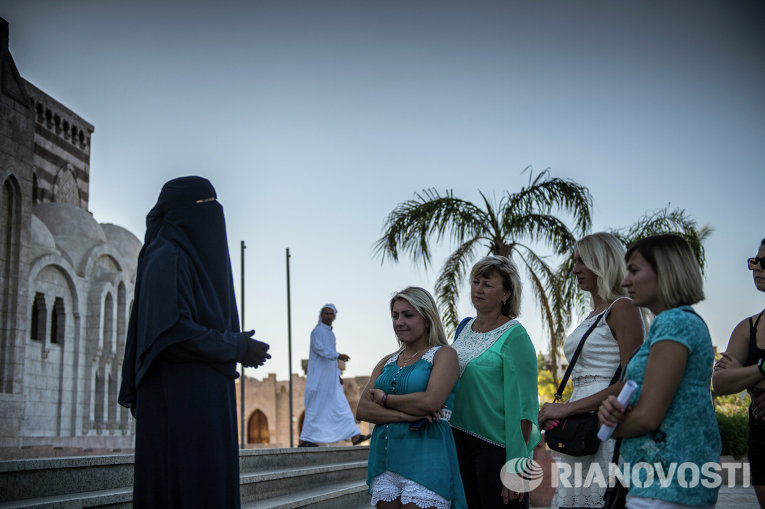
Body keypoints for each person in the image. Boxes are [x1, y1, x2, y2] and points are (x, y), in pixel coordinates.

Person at [118, 176, 271, 509]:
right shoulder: (166, 255)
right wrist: (235, 347)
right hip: (180, 405)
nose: (214, 216)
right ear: (180, 213)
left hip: (201, 403)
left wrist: (236, 347)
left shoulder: (183, 256)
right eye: (205, 206)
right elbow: (173, 332)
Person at [598, 234, 721, 508]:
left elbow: (649, 417)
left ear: (666, 271)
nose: (625, 281)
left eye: (634, 270)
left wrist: (608, 426)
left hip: (668, 483)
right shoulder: (670, 324)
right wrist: (614, 411)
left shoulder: (674, 323)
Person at [538, 233, 644, 509]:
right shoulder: (594, 313)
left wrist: (565, 410)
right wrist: (563, 410)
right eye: (575, 261)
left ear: (602, 262)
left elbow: (633, 379)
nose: (575, 269)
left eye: (582, 260)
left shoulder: (623, 307)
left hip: (606, 422)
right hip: (581, 423)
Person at [356, 287, 467, 509]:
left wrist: (385, 399)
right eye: (395, 316)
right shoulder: (386, 361)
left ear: (427, 319)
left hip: (427, 456)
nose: (399, 322)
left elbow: (430, 402)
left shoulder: (444, 354)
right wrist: (405, 415)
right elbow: (362, 410)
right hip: (384, 459)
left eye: (408, 315)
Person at [450, 255, 540, 509]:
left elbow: (524, 407)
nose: (478, 289)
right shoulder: (463, 328)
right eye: (475, 281)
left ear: (506, 294)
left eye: (487, 284)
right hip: (457, 441)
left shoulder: (516, 335)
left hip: (496, 449)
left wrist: (515, 467)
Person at [712, 238, 765, 508]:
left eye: (763, 263)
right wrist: (761, 369)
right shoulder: (748, 328)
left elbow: (735, 378)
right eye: (754, 261)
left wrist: (747, 376)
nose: (756, 268)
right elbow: (720, 382)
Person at [299, 304, 370, 447]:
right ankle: (305, 439)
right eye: (326, 313)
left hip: (331, 381)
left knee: (341, 406)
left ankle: (355, 436)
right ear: (321, 315)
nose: (328, 316)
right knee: (315, 407)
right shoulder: (317, 332)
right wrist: (338, 355)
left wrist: (337, 374)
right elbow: (320, 350)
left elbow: (330, 361)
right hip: (319, 380)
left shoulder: (331, 334)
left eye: (331, 314)